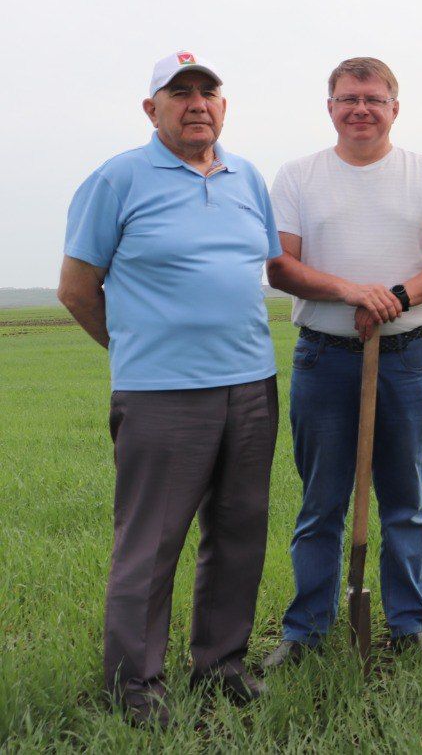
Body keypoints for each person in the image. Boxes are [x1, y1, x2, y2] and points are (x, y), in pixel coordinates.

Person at [58, 52, 280, 726]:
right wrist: (139, 352)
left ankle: (222, 667)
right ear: (150, 108)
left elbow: (258, 267)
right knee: (150, 544)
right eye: (178, 92)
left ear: (224, 105)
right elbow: (76, 288)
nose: (196, 103)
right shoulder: (118, 178)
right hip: (161, 396)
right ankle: (136, 686)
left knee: (239, 534)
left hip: (250, 385)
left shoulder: (248, 178)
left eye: (207, 91)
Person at [261, 57, 422, 667]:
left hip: (406, 357)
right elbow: (282, 265)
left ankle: (409, 624)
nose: (361, 109)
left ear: (394, 108)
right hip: (324, 358)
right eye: (349, 98)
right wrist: (356, 292)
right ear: (330, 107)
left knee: (405, 499)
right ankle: (306, 630)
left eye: (374, 99)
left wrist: (396, 297)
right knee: (321, 501)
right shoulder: (298, 176)